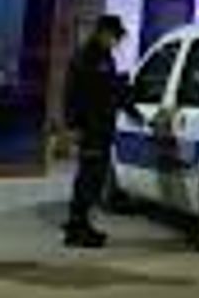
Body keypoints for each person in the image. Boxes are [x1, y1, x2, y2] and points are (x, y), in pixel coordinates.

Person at [62, 14, 136, 248]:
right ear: (103, 32)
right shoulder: (88, 56)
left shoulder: (103, 56)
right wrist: (74, 125)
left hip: (100, 127)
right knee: (88, 179)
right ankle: (76, 229)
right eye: (115, 36)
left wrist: (132, 110)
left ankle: (81, 225)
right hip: (91, 128)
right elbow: (74, 93)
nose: (117, 41)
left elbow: (112, 90)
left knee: (92, 178)